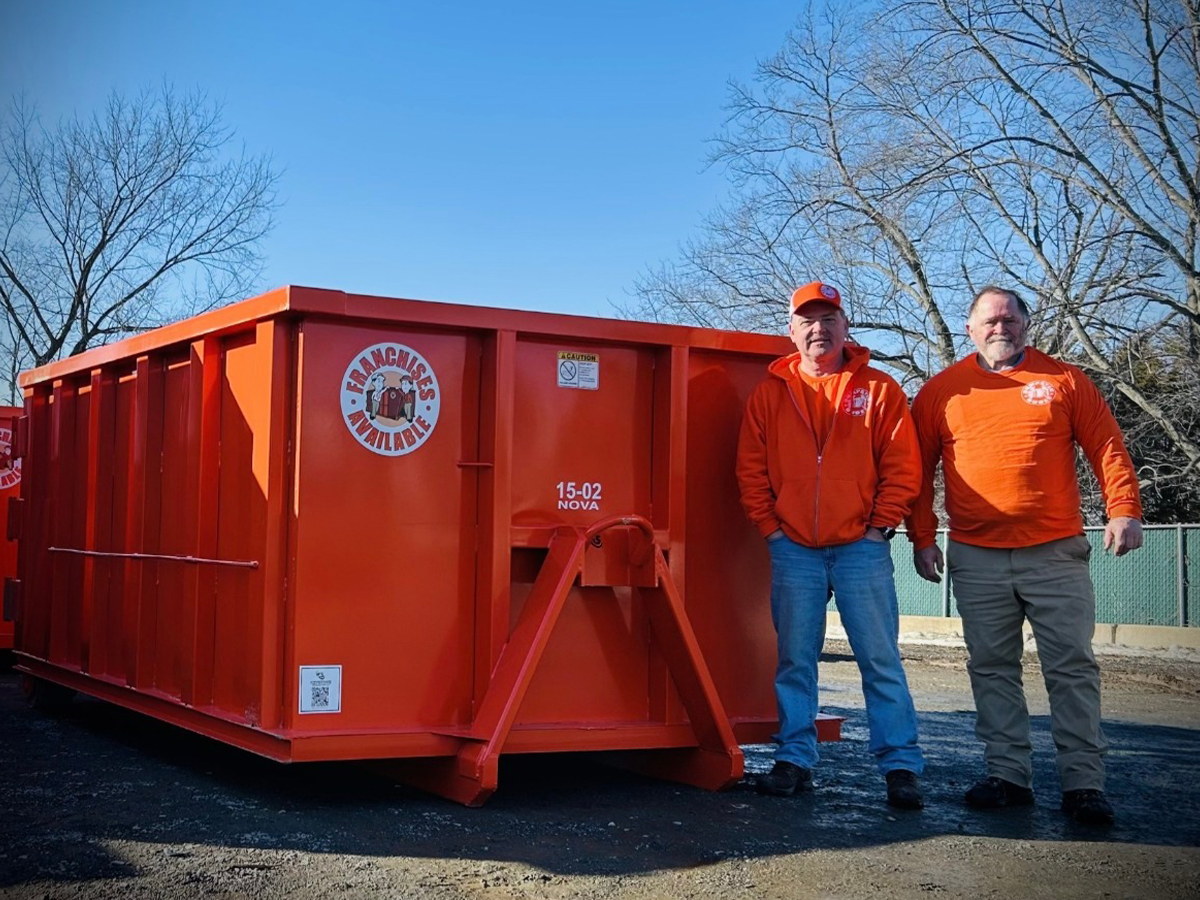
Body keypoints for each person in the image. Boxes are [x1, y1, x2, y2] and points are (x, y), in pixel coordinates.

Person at [907, 286, 1143, 827]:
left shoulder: (1065, 380)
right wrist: (922, 537)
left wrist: (1124, 508)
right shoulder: (941, 391)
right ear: (970, 329)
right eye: (989, 320)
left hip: (1055, 551)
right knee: (991, 668)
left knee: (1072, 668)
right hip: (974, 555)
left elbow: (1106, 445)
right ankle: (1007, 775)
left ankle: (1084, 784)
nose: (1000, 327)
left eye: (1010, 319)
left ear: (1026, 325)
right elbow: (916, 474)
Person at [736, 280, 926, 809]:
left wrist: (879, 527)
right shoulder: (770, 392)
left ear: (846, 327)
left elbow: (902, 467)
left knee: (879, 659)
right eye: (807, 320)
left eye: (829, 319)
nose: (819, 329)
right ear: (791, 330)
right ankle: (794, 759)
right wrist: (772, 531)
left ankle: (901, 768)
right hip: (793, 548)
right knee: (795, 660)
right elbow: (750, 471)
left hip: (861, 548)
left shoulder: (880, 389)